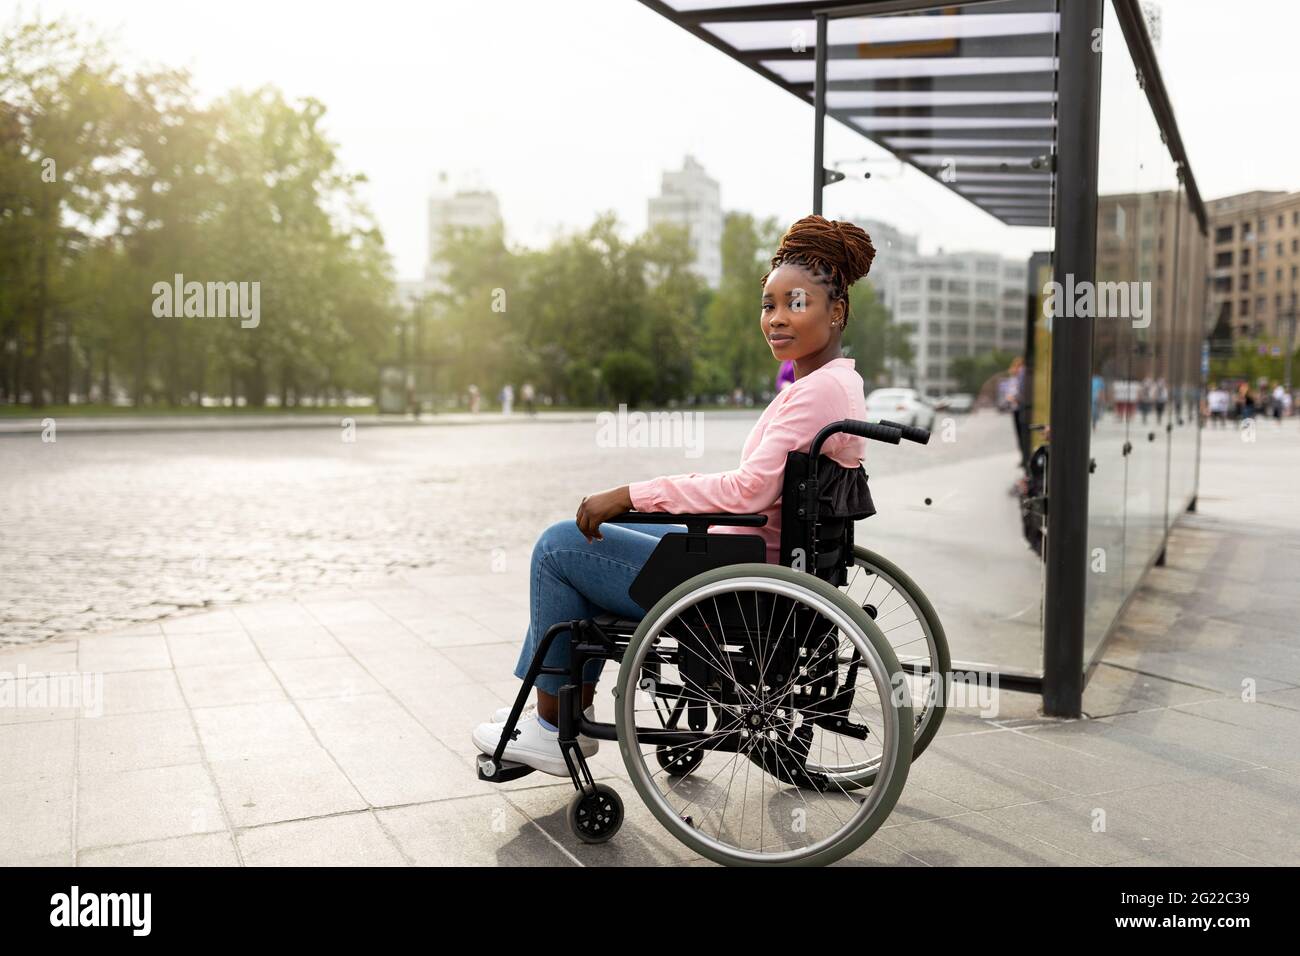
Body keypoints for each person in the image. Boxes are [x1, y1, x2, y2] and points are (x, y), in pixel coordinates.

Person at [471, 215, 876, 774]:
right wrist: (647, 499)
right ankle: (547, 711)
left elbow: (748, 491)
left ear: (835, 311)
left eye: (795, 303)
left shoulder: (814, 393)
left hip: (734, 580)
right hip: (755, 558)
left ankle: (548, 726)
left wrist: (634, 491)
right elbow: (758, 485)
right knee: (598, 537)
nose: (777, 319)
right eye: (768, 304)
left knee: (560, 548)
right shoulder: (838, 383)